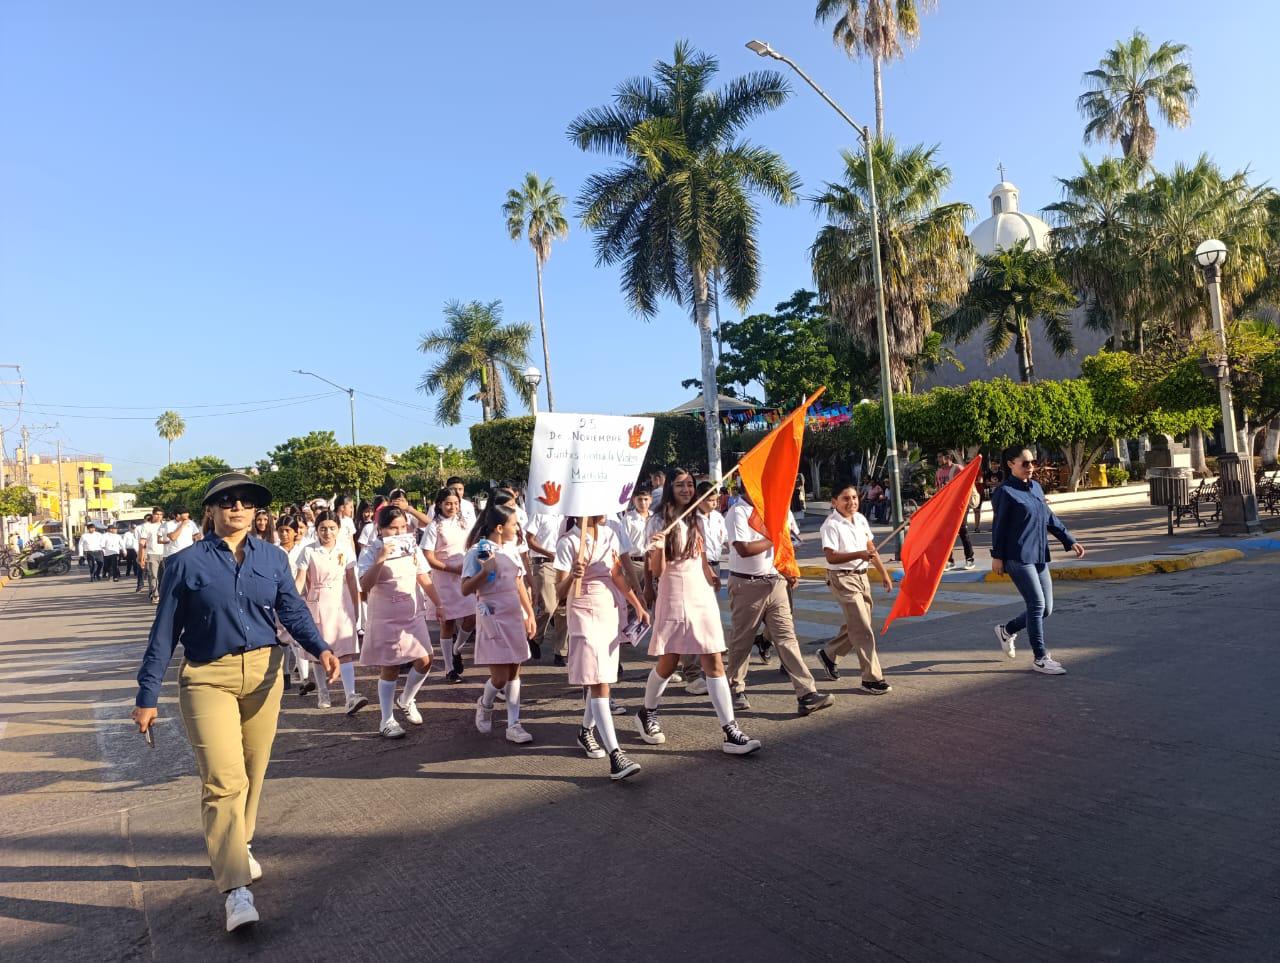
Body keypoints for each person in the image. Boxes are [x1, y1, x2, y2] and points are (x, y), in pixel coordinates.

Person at [131, 472, 339, 933]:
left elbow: (292, 609)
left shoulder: (274, 557)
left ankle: (239, 844)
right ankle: (235, 888)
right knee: (223, 780)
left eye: (246, 501)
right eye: (226, 501)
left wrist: (318, 646)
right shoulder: (184, 564)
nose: (237, 508)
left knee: (253, 769)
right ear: (210, 510)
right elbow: (164, 633)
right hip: (208, 678)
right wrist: (147, 694)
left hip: (265, 674)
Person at [639, 468, 761, 755]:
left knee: (714, 659)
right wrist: (657, 548)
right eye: (680, 485)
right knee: (668, 662)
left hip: (700, 591)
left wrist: (709, 574)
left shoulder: (697, 516)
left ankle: (730, 730)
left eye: (690, 484)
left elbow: (702, 553)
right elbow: (657, 570)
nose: (686, 489)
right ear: (670, 487)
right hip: (674, 591)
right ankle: (647, 712)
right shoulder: (659, 520)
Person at [723, 490, 834, 716]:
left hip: (775, 582)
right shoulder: (738, 512)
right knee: (742, 641)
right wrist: (774, 536)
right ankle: (734, 688)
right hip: (747, 585)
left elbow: (788, 542)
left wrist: (789, 570)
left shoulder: (774, 510)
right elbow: (743, 549)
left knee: (786, 638)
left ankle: (806, 693)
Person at [555, 515, 648, 780]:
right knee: (598, 681)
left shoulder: (609, 534)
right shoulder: (568, 541)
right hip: (583, 611)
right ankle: (616, 755)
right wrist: (572, 574)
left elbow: (617, 575)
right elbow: (559, 591)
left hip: (609, 608)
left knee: (603, 677)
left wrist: (637, 604)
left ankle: (585, 731)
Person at [990, 445, 1084, 675]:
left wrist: (1069, 540)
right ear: (1011, 464)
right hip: (1017, 556)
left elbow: (1049, 517)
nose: (1031, 467)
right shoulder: (1004, 492)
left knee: (1047, 608)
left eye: (1033, 462)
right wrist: (997, 557)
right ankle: (1040, 657)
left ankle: (1007, 629)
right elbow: (999, 527)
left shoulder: (1036, 487)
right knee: (1036, 604)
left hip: (1039, 554)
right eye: (1025, 463)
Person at [358, 506, 441, 738]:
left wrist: (440, 604)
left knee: (426, 659)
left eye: (403, 526)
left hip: (411, 611)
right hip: (385, 614)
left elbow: (423, 576)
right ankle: (386, 719)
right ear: (381, 529)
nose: (399, 531)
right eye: (393, 528)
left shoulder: (411, 546)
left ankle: (406, 699)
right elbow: (365, 585)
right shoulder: (371, 551)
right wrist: (380, 560)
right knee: (391, 665)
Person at [462, 504, 537, 745]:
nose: (517, 528)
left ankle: (514, 724)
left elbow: (518, 583)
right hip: (492, 615)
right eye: (514, 524)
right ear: (499, 527)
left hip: (513, 613)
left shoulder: (511, 549)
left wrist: (530, 614)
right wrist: (485, 572)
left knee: (515, 670)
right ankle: (485, 704)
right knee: (500, 677)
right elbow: (465, 589)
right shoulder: (478, 552)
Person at [815, 484, 895, 693]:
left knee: (859, 624)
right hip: (842, 578)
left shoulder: (860, 519)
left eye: (854, 498)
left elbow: (871, 549)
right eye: (845, 498)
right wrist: (857, 555)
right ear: (834, 502)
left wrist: (884, 574)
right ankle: (871, 678)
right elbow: (830, 556)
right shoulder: (831, 525)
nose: (851, 502)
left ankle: (829, 654)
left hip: (862, 576)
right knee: (863, 628)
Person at [296, 511, 366, 714]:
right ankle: (323, 692)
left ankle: (350, 695)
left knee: (344, 652)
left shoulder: (345, 550)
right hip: (316, 603)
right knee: (319, 652)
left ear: (339, 529)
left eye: (332, 528)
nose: (327, 532)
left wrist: (356, 607)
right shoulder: (309, 551)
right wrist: (291, 600)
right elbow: (301, 579)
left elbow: (352, 580)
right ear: (316, 530)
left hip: (340, 603)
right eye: (323, 528)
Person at [421, 487, 477, 683]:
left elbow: (473, 544)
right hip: (444, 577)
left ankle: (457, 648)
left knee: (472, 616)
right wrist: (451, 568)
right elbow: (428, 556)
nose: (452, 507)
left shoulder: (465, 523)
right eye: (448, 503)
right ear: (439, 505)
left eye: (455, 503)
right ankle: (449, 668)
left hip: (465, 575)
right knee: (448, 622)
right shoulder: (434, 527)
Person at [682, 481, 728, 696]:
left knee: (709, 618)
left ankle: (711, 662)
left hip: (714, 566)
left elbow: (726, 541)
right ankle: (691, 672)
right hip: (694, 568)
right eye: (709, 498)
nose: (714, 502)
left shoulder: (718, 517)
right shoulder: (689, 519)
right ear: (699, 499)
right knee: (692, 620)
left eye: (715, 498)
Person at [524, 510, 568, 665]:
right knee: (549, 606)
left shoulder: (567, 514)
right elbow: (530, 539)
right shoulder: (540, 512)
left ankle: (561, 651)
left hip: (564, 563)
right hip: (544, 563)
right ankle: (535, 638)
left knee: (563, 609)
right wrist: (549, 553)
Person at [935, 452, 976, 571]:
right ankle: (949, 561)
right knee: (946, 535)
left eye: (940, 456)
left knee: (962, 531)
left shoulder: (958, 469)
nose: (938, 459)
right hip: (945, 507)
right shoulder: (938, 472)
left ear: (948, 457)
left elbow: (967, 484)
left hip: (959, 506)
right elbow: (938, 490)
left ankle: (970, 559)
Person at [138, 508, 165, 601]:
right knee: (153, 576)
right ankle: (155, 594)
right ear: (153, 515)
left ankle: (163, 593)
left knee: (164, 576)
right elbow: (142, 542)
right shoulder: (147, 526)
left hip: (165, 554)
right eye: (157, 514)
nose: (159, 516)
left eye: (161, 514)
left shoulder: (166, 525)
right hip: (151, 554)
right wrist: (141, 557)